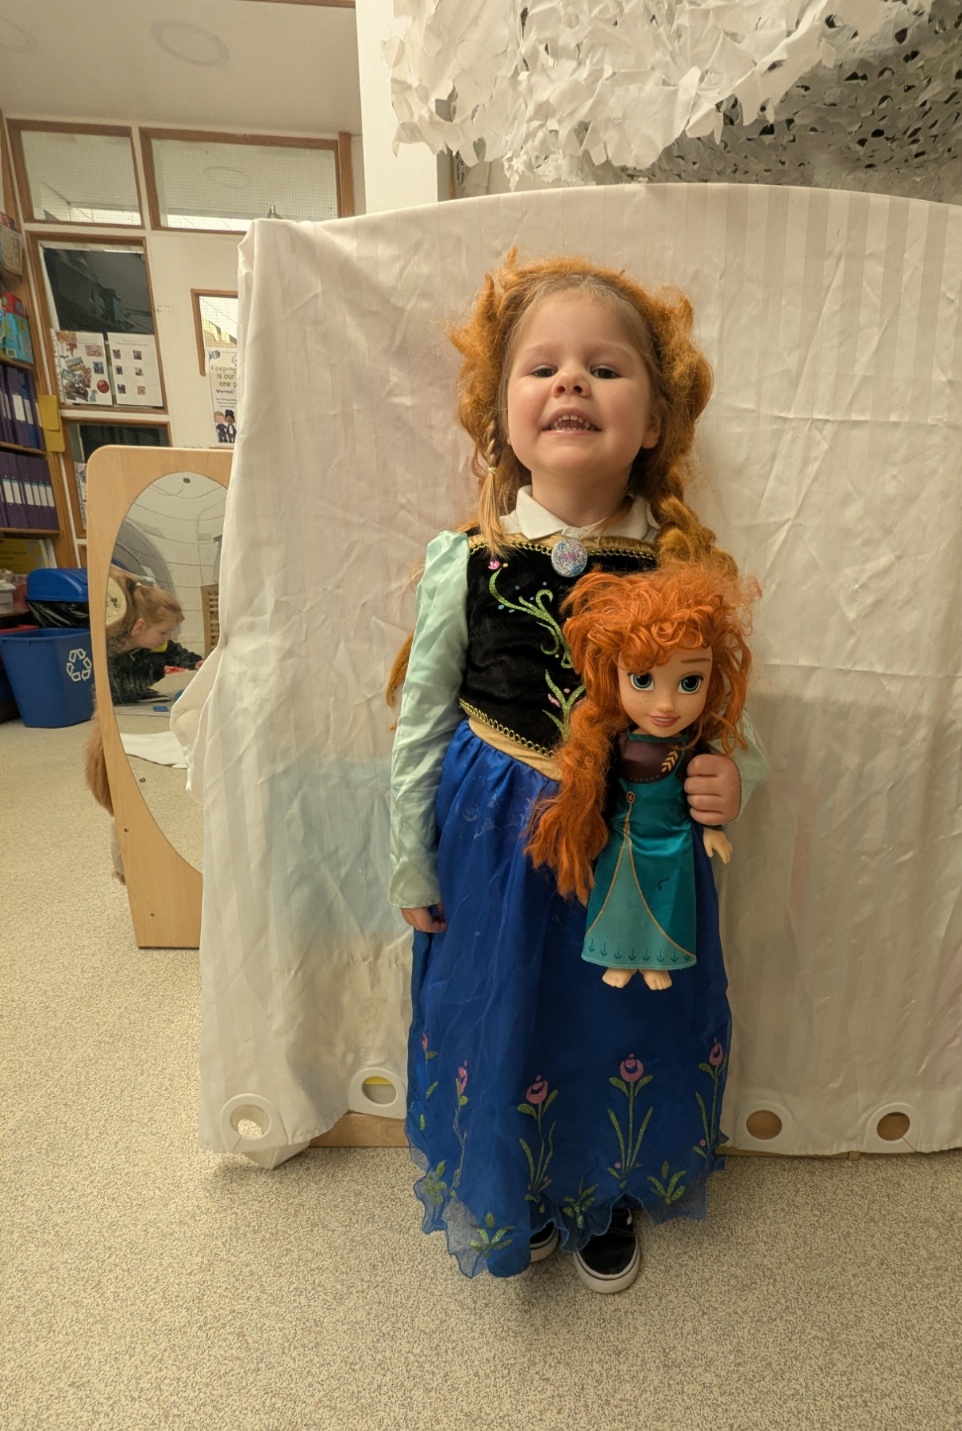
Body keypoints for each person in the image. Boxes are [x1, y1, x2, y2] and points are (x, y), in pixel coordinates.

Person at [388, 253, 767, 1291]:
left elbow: (722, 710)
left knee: (620, 1017)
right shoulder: (465, 560)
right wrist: (409, 857)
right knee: (507, 1011)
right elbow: (420, 724)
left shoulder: (682, 568)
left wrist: (731, 776)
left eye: (604, 368)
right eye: (542, 367)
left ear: (654, 422)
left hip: (638, 846)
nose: (570, 383)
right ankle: (519, 1182)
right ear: (499, 414)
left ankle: (606, 1184)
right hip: (493, 845)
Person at [526, 562, 756, 992]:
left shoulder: (691, 746)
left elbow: (707, 783)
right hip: (623, 839)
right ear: (613, 675)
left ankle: (656, 960)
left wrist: (713, 827)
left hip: (672, 841)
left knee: (666, 900)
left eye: (690, 682)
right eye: (643, 679)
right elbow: (595, 787)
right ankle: (619, 958)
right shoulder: (613, 743)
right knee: (619, 899)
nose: (665, 705)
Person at [105, 569, 202, 705]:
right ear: (139, 627)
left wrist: (196, 662)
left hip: (136, 693)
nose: (168, 638)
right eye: (163, 632)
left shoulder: (157, 645)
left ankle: (137, 693)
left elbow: (177, 654)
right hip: (110, 698)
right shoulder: (109, 645)